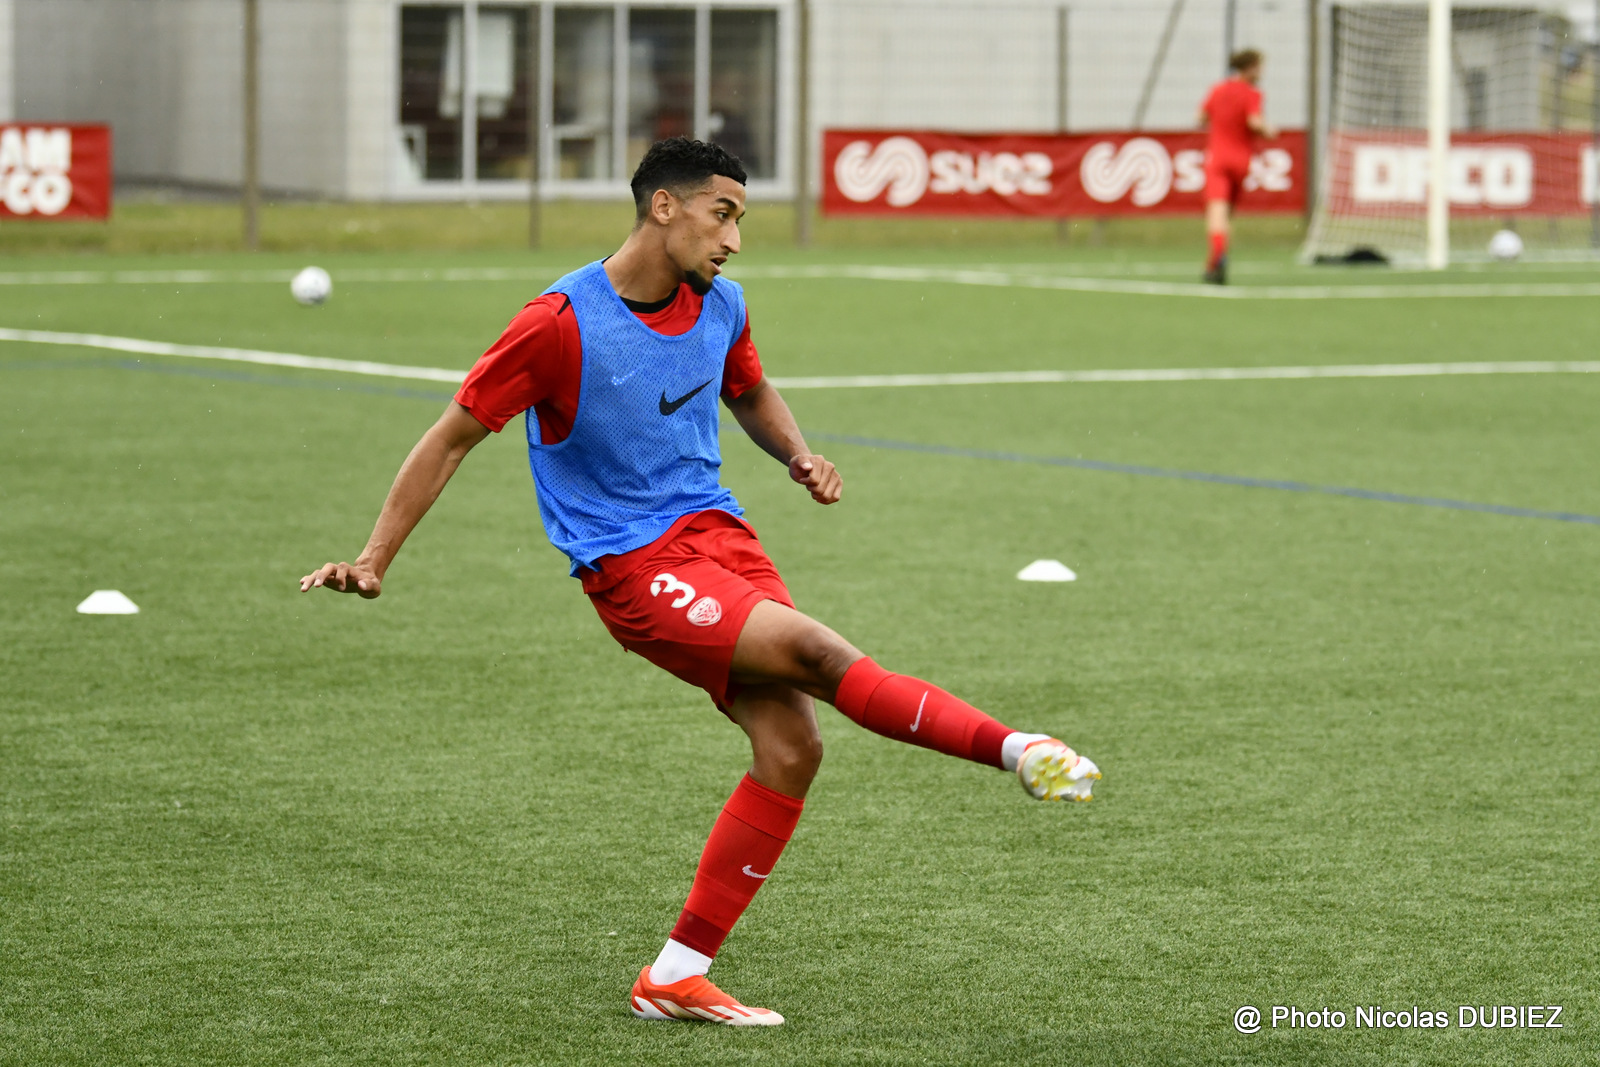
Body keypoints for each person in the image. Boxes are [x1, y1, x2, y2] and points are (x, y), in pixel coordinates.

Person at [299, 137, 1100, 1028]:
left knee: (792, 748)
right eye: (723, 216)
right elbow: (451, 436)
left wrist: (797, 453)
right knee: (817, 652)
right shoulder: (558, 323)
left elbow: (746, 389)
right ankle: (1018, 749)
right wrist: (374, 558)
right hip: (633, 565)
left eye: (741, 220)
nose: (734, 240)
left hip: (724, 543)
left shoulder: (722, 305)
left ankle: (675, 974)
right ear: (664, 207)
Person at [1198, 49, 1278, 285]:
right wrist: (1269, 131)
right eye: (1260, 67)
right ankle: (1213, 262)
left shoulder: (1218, 89)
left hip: (1218, 158)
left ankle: (1217, 256)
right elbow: (1254, 122)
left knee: (1217, 212)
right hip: (1241, 160)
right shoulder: (1252, 93)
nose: (1262, 71)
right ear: (1250, 67)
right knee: (1227, 215)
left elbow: (1200, 116)